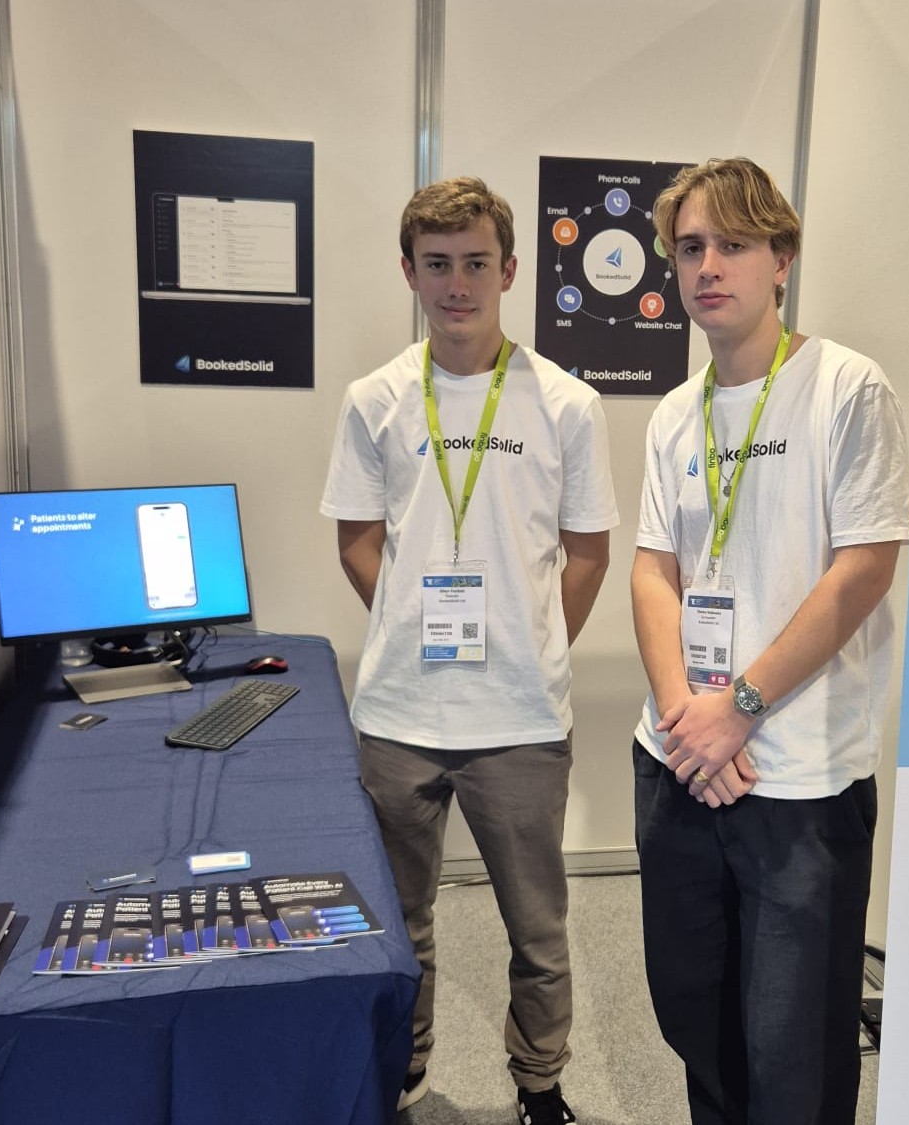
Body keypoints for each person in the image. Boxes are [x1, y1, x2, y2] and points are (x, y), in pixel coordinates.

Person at [320, 176, 617, 1125]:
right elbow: (357, 539)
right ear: (409, 272)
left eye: (477, 263)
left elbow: (589, 551)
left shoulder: (567, 403)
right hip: (399, 715)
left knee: (537, 926)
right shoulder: (375, 399)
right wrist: (411, 624)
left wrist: (532, 642)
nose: (458, 284)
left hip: (519, 719)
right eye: (438, 264)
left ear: (510, 270)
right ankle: (402, 1075)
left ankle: (540, 1083)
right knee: (398, 924)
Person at [629, 157, 909, 1124]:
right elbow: (653, 572)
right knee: (696, 1018)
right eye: (690, 247)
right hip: (682, 759)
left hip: (797, 780)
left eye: (735, 244)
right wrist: (687, 718)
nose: (709, 266)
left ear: (782, 258)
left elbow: (863, 569)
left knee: (796, 1052)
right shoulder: (677, 412)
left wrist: (738, 708)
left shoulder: (846, 387)